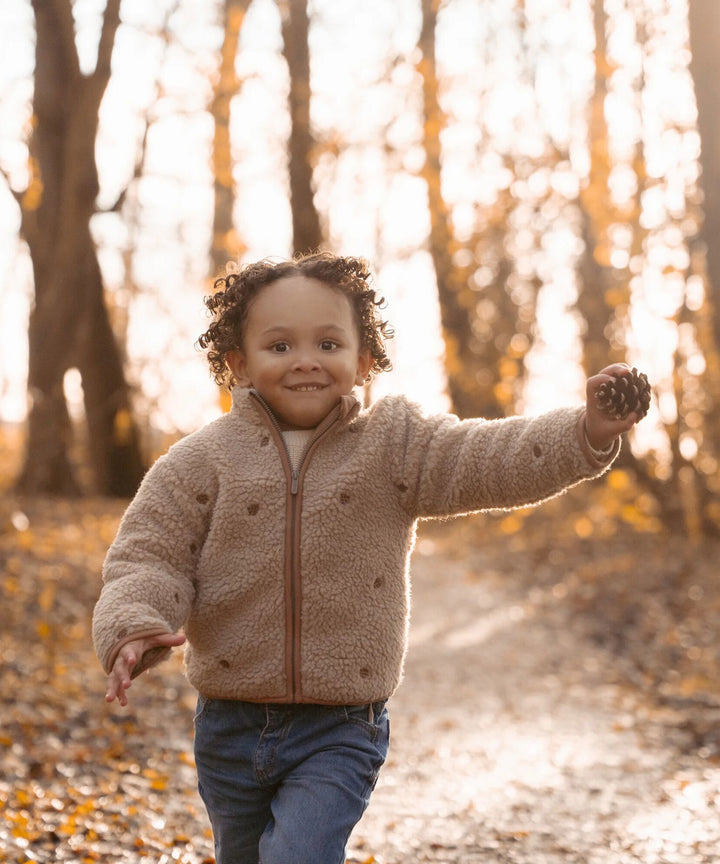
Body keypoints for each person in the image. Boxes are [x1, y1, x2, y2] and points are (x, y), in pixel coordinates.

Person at [92, 251, 638, 864]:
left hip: (342, 725)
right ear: (238, 363)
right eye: (279, 346)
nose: (305, 360)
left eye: (328, 343)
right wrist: (133, 624)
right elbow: (149, 554)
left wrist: (586, 430)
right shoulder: (201, 462)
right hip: (229, 722)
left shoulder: (394, 446)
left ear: (364, 359)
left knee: (298, 855)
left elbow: (490, 458)